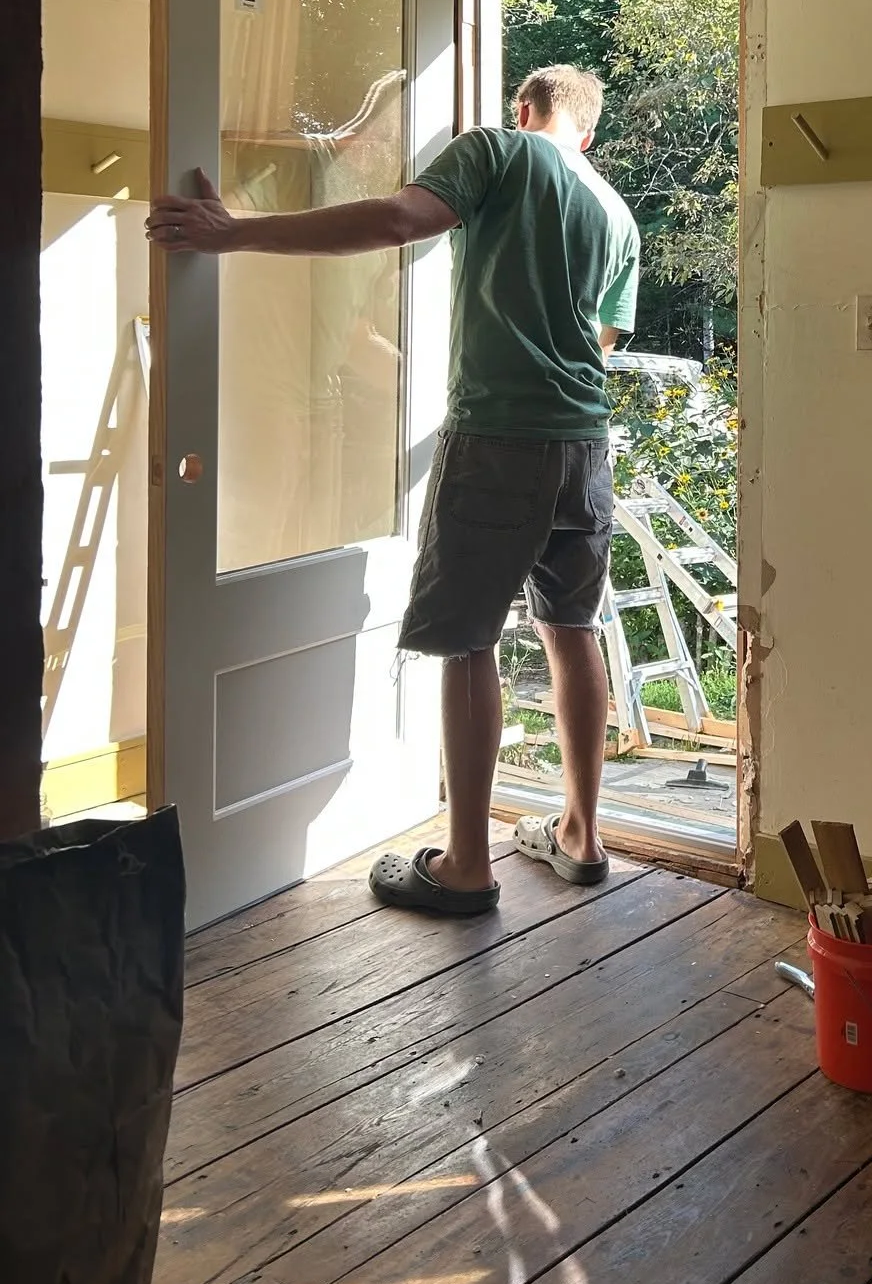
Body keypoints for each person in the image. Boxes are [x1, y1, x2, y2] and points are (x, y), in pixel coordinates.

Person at [148, 64, 640, 915]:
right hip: (585, 444)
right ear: (586, 132)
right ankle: (582, 838)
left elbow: (396, 218)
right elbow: (597, 341)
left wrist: (233, 234)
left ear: (524, 110)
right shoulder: (616, 212)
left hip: (498, 440)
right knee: (572, 629)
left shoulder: (499, 149)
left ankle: (467, 866)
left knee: (468, 641)